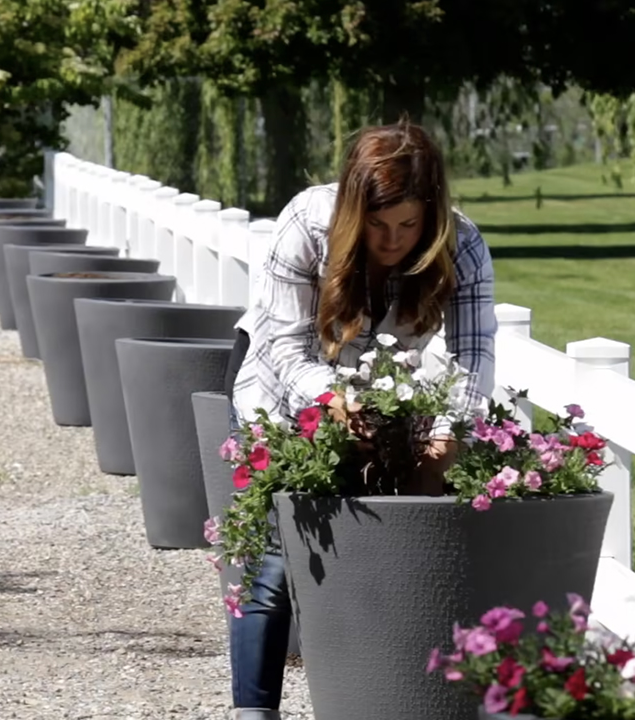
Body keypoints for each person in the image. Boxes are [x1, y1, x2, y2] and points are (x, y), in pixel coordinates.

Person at [224, 119, 498, 719]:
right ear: (353, 208)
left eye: (407, 225)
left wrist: (446, 432)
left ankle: (391, 690)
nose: (392, 239)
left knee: (403, 538)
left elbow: (473, 358)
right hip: (281, 388)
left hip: (387, 401)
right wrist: (331, 401)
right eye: (377, 224)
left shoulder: (464, 246)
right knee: (280, 542)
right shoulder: (306, 224)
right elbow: (284, 346)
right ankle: (254, 710)